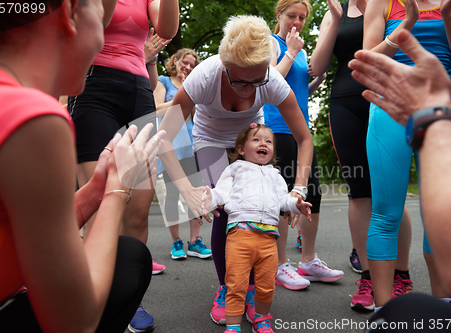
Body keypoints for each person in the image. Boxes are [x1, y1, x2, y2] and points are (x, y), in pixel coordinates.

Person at [0, 0, 167, 331]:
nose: (105, 39)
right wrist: (116, 189)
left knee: (126, 253)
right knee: (130, 258)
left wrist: (94, 189)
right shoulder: (34, 120)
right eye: (102, 16)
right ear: (70, 14)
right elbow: (74, 321)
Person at [157, 15, 314, 325]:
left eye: (256, 82)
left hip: (249, 135)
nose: (248, 89)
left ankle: (253, 288)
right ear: (226, 66)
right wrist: (187, 188)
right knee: (226, 208)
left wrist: (298, 188)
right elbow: (164, 139)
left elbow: (304, 138)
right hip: (211, 138)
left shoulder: (272, 80)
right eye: (240, 81)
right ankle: (228, 287)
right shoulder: (204, 77)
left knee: (257, 209)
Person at [349, 28, 451, 327]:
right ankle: (384, 312)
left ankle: (444, 306)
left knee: (440, 214)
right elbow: (366, 58)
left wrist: (450, 14)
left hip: (440, 100)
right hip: (393, 103)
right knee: (386, 213)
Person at [67, 0, 179, 330]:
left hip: (138, 90)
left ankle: (129, 297)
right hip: (94, 85)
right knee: (102, 205)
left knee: (138, 207)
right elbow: (96, 21)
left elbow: (168, 31)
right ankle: (92, 300)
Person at [310, 0, 413, 311]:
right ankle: (368, 277)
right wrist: (336, 17)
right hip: (346, 102)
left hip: (386, 98)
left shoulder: (389, 4)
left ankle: (401, 275)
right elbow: (317, 66)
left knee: (390, 195)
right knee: (359, 193)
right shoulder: (337, 12)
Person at [263, 0, 344, 292]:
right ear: (279, 15)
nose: (296, 22)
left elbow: (296, 90)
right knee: (284, 197)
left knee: (313, 194)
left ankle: (308, 259)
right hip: (276, 129)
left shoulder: (300, 49)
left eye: (301, 17)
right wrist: (292, 51)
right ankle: (280, 264)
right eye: (291, 16)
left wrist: (317, 79)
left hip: (301, 131)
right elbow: (269, 82)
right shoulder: (271, 42)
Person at [201, 123, 312, 333]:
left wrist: (295, 204)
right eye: (256, 140)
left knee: (266, 286)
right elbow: (221, 193)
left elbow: (283, 201)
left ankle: (261, 320)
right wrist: (210, 197)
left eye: (268, 141)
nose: (264, 144)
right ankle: (233, 327)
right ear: (241, 149)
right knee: (235, 285)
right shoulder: (234, 169)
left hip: (269, 240)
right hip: (239, 237)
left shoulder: (276, 176)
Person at [154, 49, 212, 260]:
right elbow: (156, 108)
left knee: (197, 191)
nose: (188, 67)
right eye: (185, 63)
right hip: (171, 148)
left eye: (193, 65)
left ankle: (195, 241)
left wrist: (193, 95)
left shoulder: (194, 86)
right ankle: (176, 242)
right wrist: (182, 98)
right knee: (172, 195)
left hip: (192, 147)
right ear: (175, 61)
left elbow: (198, 115)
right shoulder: (164, 81)